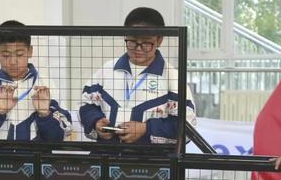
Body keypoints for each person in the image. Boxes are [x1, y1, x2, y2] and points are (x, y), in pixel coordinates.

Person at [79, 7, 196, 144]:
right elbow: (85, 105)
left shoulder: (173, 78)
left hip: (151, 156)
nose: (138, 49)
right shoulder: (106, 70)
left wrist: (146, 129)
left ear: (159, 40)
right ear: (125, 36)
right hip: (107, 153)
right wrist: (96, 122)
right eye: (133, 41)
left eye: (146, 43)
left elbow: (187, 129)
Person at [0, 20, 71, 142]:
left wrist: (45, 114)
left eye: (19, 54)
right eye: (6, 55)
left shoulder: (46, 85)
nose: (13, 61)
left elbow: (60, 137)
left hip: (36, 154)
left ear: (30, 51)